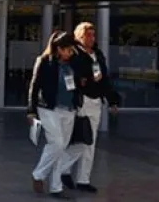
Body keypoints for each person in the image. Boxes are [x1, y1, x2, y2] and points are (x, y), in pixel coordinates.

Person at [60, 22, 121, 193]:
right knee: (81, 138)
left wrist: (113, 100)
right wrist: (80, 82)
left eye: (93, 35)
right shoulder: (74, 53)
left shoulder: (98, 54)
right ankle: (63, 170)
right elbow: (68, 74)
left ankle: (83, 179)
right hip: (82, 100)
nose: (91, 38)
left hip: (96, 100)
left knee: (90, 141)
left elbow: (105, 78)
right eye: (88, 35)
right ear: (79, 36)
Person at [28, 31, 88, 198]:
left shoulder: (74, 62)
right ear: (58, 48)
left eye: (71, 50)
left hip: (69, 109)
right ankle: (38, 174)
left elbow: (86, 63)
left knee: (61, 149)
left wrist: (78, 47)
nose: (70, 53)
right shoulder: (45, 62)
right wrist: (31, 110)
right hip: (49, 108)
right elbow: (34, 86)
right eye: (67, 50)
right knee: (57, 143)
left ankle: (56, 187)